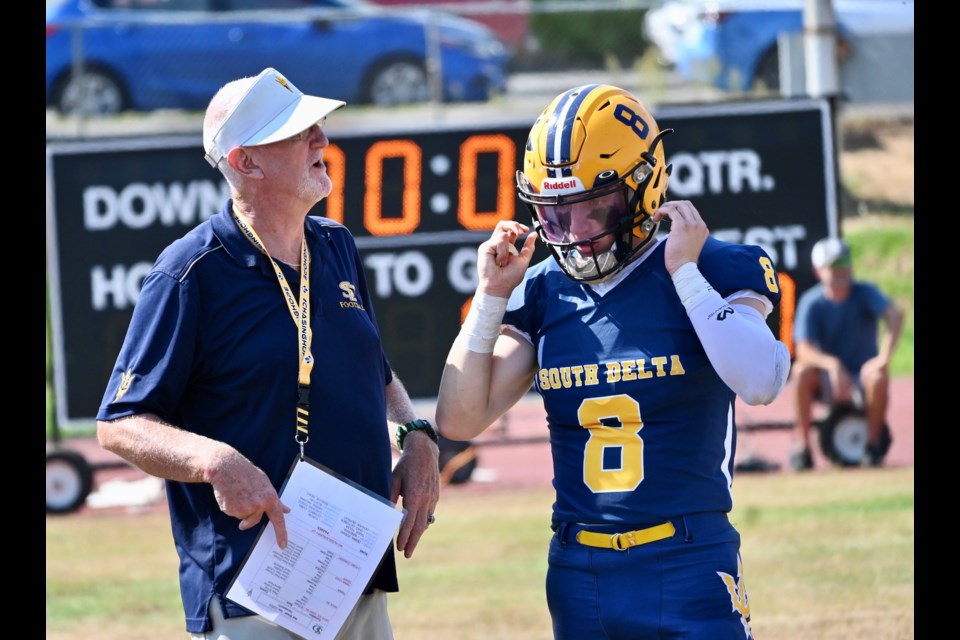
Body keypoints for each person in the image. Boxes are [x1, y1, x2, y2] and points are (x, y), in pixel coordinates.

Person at [96, 67, 440, 639]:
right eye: (297, 131)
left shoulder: (335, 244)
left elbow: (373, 371)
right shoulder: (190, 272)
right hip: (253, 590)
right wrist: (216, 461)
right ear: (245, 162)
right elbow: (121, 422)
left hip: (353, 571)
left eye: (318, 127)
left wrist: (415, 432)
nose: (321, 141)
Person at [436, 84, 791, 639]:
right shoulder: (545, 290)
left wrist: (687, 277)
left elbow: (761, 380)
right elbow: (458, 419)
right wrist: (489, 298)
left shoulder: (713, 267)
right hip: (580, 569)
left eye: (590, 208)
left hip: (688, 556)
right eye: (554, 214)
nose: (573, 234)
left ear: (644, 188)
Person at [789, 236, 904, 470]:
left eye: (845, 262)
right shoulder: (812, 302)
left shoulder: (865, 293)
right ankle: (803, 448)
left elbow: (895, 315)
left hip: (861, 375)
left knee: (878, 377)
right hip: (828, 380)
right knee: (801, 373)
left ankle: (872, 448)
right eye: (834, 264)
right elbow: (803, 348)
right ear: (818, 270)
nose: (841, 270)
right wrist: (832, 365)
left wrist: (883, 359)